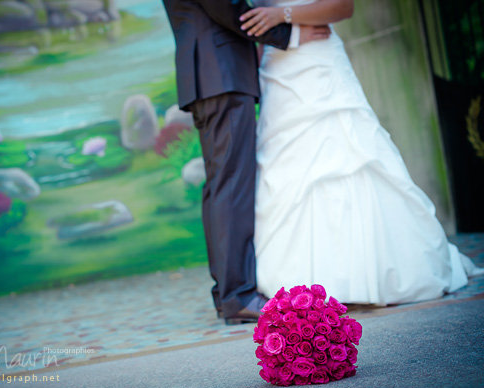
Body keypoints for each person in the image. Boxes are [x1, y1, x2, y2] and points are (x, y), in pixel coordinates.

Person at [240, 0, 483, 305]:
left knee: (350, 155)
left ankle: (370, 273)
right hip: (277, 69)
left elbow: (343, 7)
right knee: (286, 170)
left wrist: (283, 14)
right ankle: (300, 283)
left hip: (320, 64)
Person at [161, 0, 332, 324]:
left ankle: (227, 293)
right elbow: (229, 9)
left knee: (220, 186)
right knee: (231, 186)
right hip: (220, 71)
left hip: (209, 73)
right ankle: (237, 295)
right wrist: (289, 35)